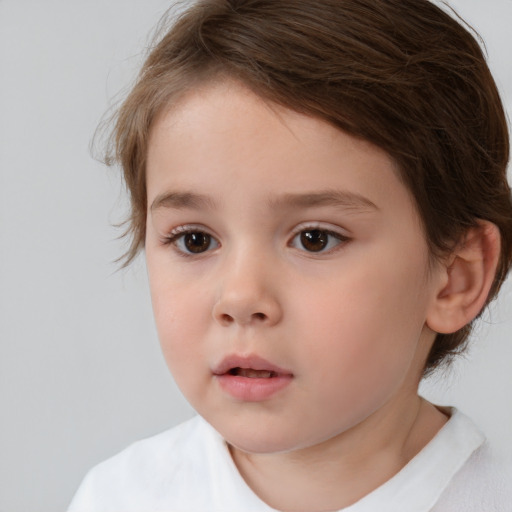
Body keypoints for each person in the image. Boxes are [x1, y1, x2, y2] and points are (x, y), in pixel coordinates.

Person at [67, 0, 512, 510]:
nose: (239, 297)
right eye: (196, 240)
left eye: (315, 238)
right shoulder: (119, 497)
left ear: (455, 277)